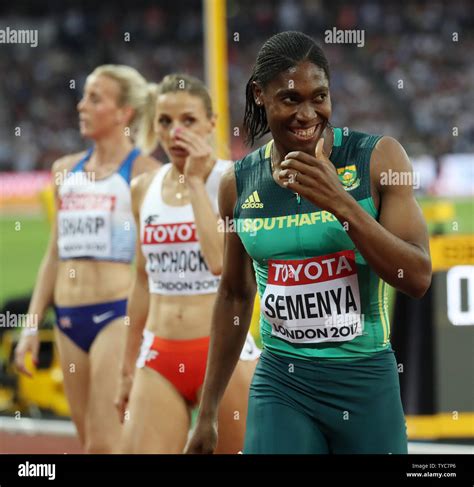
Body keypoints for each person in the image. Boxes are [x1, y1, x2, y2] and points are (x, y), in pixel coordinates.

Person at [186, 31, 432, 454]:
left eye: (319, 97)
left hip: (365, 380)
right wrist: (207, 412)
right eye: (290, 98)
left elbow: (416, 277)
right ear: (259, 95)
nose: (307, 113)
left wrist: (342, 204)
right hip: (283, 380)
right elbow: (233, 296)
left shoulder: (378, 159)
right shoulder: (239, 183)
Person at [14, 65, 160, 453]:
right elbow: (54, 253)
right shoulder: (65, 171)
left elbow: (157, 257)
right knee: (87, 441)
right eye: (84, 96)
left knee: (103, 444)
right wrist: (31, 325)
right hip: (66, 319)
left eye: (95, 98)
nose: (82, 105)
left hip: (115, 315)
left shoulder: (144, 173)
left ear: (123, 113)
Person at [116, 73, 260, 454]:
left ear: (212, 123)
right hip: (161, 353)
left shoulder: (235, 180)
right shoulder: (143, 189)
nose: (175, 132)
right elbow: (143, 282)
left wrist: (196, 182)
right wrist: (127, 367)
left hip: (225, 353)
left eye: (188, 121)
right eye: (165, 121)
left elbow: (219, 262)